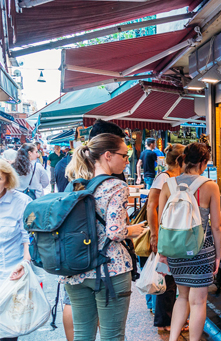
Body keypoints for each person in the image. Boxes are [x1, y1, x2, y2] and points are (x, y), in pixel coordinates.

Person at [61, 134, 147, 341]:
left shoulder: (77, 184)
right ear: (108, 155)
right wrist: (131, 231)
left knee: (82, 334)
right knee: (112, 336)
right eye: (124, 155)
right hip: (111, 269)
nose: (127, 161)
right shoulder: (116, 186)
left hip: (76, 269)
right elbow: (115, 232)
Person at [159, 143, 221, 341]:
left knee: (182, 297)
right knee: (198, 302)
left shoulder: (168, 184)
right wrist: (218, 256)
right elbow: (216, 226)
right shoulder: (210, 185)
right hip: (201, 250)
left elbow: (163, 223)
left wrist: (163, 253)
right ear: (203, 162)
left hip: (175, 250)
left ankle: (173, 338)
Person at [146, 144, 185, 332]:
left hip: (173, 235)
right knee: (167, 279)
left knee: (170, 278)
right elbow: (150, 206)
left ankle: (165, 319)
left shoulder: (176, 178)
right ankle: (165, 321)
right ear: (179, 161)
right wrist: (155, 235)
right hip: (164, 236)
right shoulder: (164, 177)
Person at [0, 160, 33, 341]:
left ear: (7, 179)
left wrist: (25, 263)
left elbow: (28, 238)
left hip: (11, 276)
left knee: (8, 333)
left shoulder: (21, 202)